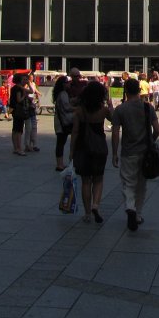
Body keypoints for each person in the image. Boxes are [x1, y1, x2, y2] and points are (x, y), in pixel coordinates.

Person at [111, 77, 159, 231]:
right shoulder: (148, 108)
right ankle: (138, 214)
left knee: (128, 182)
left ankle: (130, 207)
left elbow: (115, 133)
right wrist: (151, 141)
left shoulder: (120, 109)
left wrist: (114, 153)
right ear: (140, 90)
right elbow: (157, 130)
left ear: (126, 91)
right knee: (141, 184)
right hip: (145, 152)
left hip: (128, 152)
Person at [70, 80, 111, 223]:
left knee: (86, 180)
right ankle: (96, 205)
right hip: (99, 146)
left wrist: (71, 152)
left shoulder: (79, 111)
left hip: (83, 147)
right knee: (98, 178)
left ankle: (87, 213)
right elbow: (114, 120)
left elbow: (75, 132)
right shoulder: (103, 110)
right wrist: (110, 105)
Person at [52, 74, 74, 170]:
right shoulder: (63, 94)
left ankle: (60, 163)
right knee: (61, 142)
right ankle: (59, 164)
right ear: (63, 84)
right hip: (62, 121)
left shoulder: (60, 93)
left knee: (61, 142)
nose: (69, 84)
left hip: (60, 120)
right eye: (67, 82)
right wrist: (76, 108)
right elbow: (67, 107)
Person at [9, 74, 34, 155]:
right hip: (19, 110)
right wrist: (24, 96)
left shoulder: (15, 87)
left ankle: (16, 148)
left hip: (14, 110)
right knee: (19, 130)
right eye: (24, 79)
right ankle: (19, 148)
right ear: (20, 80)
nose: (25, 81)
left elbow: (31, 91)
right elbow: (19, 100)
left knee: (15, 130)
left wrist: (29, 84)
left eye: (26, 79)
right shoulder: (18, 89)